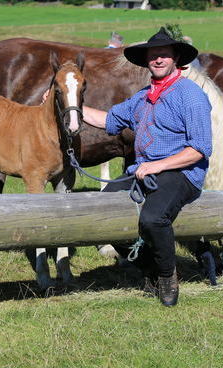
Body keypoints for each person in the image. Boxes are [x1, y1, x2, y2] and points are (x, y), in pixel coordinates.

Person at [82, 28, 213, 307]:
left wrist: (157, 166)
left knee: (152, 219)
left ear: (176, 58)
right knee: (103, 212)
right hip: (145, 171)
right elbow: (109, 121)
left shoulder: (189, 95)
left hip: (182, 173)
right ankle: (148, 268)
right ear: (146, 62)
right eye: (153, 55)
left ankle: (167, 276)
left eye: (164, 54)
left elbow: (199, 149)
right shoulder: (142, 97)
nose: (158, 59)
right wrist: (70, 107)